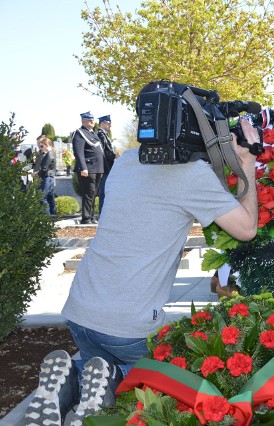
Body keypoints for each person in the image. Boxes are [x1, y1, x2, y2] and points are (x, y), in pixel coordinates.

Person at [25, 119, 260, 426]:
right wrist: (247, 161)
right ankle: (111, 378)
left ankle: (74, 378)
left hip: (80, 313)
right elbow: (246, 229)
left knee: (98, 371)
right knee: (178, 383)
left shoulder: (125, 162)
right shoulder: (191, 175)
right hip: (128, 329)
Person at [71, 112, 105, 224]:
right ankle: (86, 218)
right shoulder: (79, 133)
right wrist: (83, 168)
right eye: (89, 120)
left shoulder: (92, 133)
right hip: (88, 168)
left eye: (93, 120)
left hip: (97, 168)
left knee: (93, 194)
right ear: (83, 121)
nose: (92, 121)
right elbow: (78, 152)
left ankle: (90, 216)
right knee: (88, 193)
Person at [97, 114, 117, 214]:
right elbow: (102, 153)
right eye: (109, 123)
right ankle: (102, 215)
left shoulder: (104, 135)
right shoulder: (100, 135)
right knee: (103, 192)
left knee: (106, 192)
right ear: (103, 123)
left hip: (108, 167)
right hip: (105, 168)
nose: (110, 126)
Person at [36, 135, 57, 215]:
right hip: (49, 177)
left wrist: (37, 174)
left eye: (42, 145)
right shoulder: (50, 153)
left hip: (47, 177)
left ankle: (47, 217)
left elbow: (44, 168)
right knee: (50, 198)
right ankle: (53, 216)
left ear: (47, 145)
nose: (40, 147)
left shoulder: (49, 154)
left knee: (42, 198)